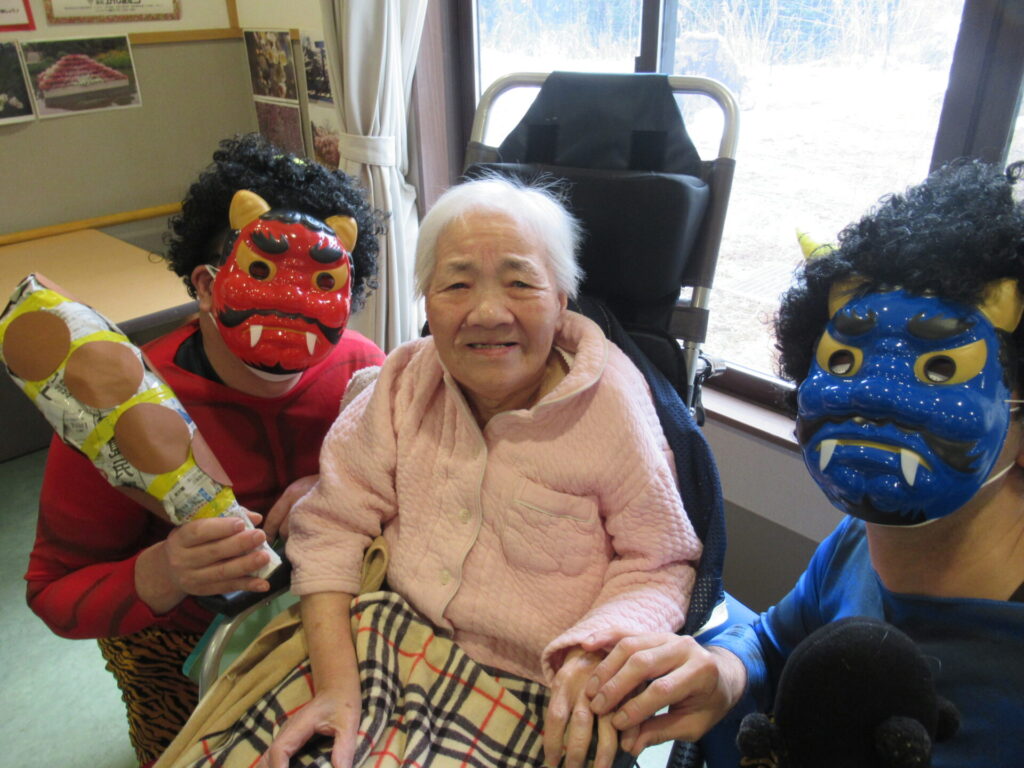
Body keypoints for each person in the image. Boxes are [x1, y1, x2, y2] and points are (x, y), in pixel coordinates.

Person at [152, 175, 702, 768]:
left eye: (520, 283)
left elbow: (660, 562)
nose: (487, 313)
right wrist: (336, 688)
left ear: (562, 299)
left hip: (528, 691)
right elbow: (332, 526)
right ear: (426, 301)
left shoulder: (612, 406)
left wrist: (599, 648)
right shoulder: (400, 384)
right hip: (372, 645)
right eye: (457, 284)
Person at [581, 159, 1024, 767]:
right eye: (844, 362)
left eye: (940, 369)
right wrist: (724, 672)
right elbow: (774, 638)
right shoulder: (856, 543)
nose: (874, 399)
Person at [24, 133, 386, 766]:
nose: (293, 305)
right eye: (264, 270)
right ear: (206, 284)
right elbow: (52, 592)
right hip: (186, 659)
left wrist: (339, 483)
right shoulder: (115, 405)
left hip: (344, 632)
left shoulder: (364, 372)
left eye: (321, 280)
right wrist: (164, 572)